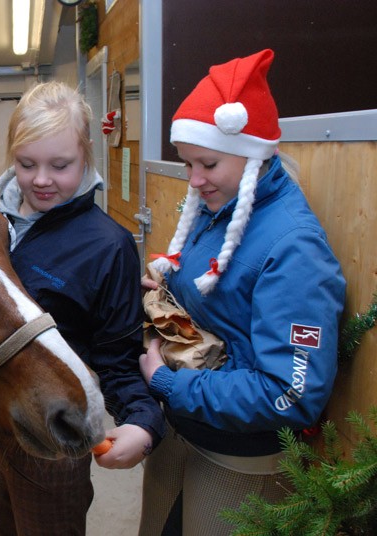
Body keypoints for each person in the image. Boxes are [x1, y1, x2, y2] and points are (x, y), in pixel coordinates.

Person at [138, 49, 346, 535]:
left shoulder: (295, 248)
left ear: (253, 154)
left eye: (207, 163)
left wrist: (170, 384)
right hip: (185, 425)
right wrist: (167, 297)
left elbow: (290, 392)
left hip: (239, 454)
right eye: (187, 163)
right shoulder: (222, 205)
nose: (194, 180)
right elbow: (224, 302)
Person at [0, 80, 166, 536]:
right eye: (26, 164)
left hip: (53, 433)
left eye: (60, 165)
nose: (41, 179)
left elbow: (117, 358)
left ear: (85, 157)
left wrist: (144, 423)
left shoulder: (108, 246)